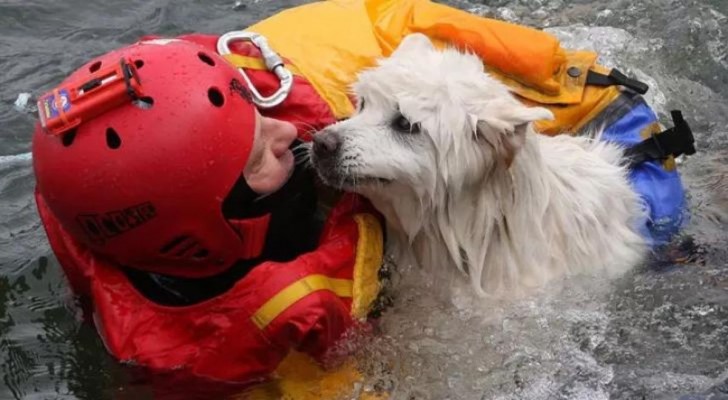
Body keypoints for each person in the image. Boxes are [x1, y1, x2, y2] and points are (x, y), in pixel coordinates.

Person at [31, 0, 694, 398]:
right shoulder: (191, 340)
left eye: (261, 115)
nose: (303, 134)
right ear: (214, 216)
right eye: (259, 153)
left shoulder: (286, 97)